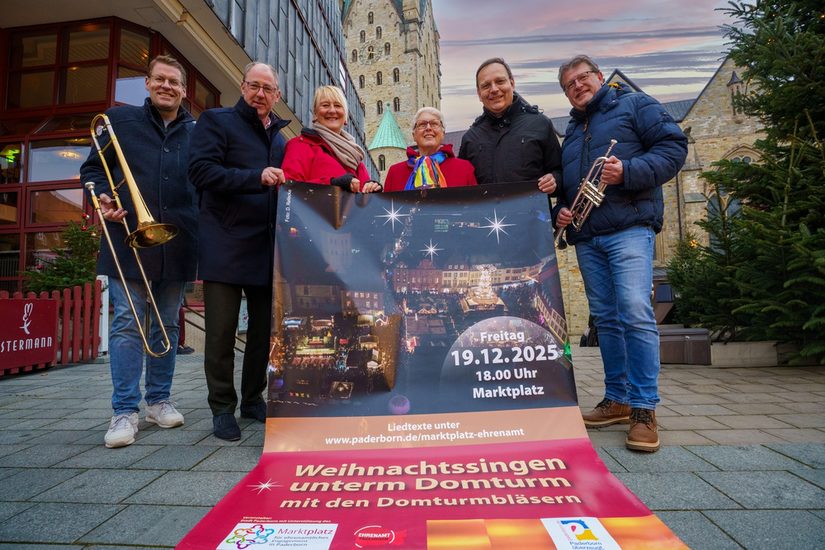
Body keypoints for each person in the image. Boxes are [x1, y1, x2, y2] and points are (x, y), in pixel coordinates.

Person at [553, 55, 688, 452]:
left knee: (634, 310)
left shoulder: (635, 104)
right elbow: (569, 183)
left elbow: (673, 149)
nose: (577, 86)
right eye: (569, 84)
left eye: (582, 78)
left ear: (599, 77)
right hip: (588, 235)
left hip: (629, 228)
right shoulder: (574, 129)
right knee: (607, 319)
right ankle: (618, 399)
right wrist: (561, 207)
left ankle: (645, 408)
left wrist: (626, 171)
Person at [80, 55, 197, 449]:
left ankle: (159, 400)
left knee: (168, 322)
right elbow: (93, 171)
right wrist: (102, 201)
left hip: (177, 240)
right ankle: (124, 409)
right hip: (126, 237)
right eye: (160, 80)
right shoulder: (119, 122)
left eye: (174, 82)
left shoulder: (197, 132)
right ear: (147, 83)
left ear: (184, 90)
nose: (167, 86)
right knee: (127, 322)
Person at [188, 61, 289, 441]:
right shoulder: (216, 121)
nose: (260, 94)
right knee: (220, 334)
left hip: (266, 248)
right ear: (242, 87)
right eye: (254, 86)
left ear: (276, 95)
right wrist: (255, 177)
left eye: (268, 89)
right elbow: (199, 172)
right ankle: (221, 407)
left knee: (263, 334)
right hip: (225, 244)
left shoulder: (279, 140)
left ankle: (252, 399)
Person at [459, 57, 561, 197]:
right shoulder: (470, 138)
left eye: (500, 81)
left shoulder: (540, 124)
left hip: (532, 217)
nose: (494, 89)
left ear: (512, 84)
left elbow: (560, 171)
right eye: (486, 85)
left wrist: (555, 180)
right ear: (479, 94)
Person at [281, 85, 381, 193]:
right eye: (325, 105)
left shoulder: (355, 157)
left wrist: (372, 189)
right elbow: (288, 190)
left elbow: (364, 202)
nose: (332, 110)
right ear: (315, 114)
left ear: (346, 117)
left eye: (338, 106)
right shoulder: (299, 145)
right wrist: (332, 184)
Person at [384, 107, 477, 192]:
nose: (428, 128)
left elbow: (474, 206)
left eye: (434, 124)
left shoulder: (464, 169)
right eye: (422, 124)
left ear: (443, 133)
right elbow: (386, 208)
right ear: (414, 135)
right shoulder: (395, 173)